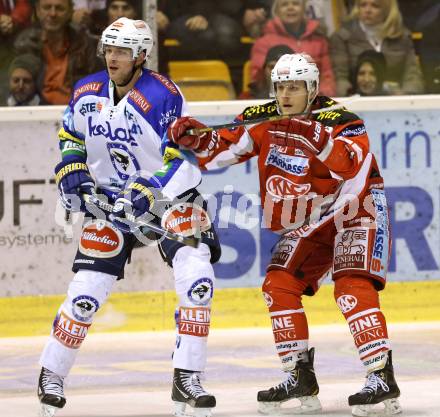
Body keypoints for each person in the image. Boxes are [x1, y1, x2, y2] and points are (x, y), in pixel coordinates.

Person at [168, 53, 401, 417]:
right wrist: (195, 137)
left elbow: (351, 161)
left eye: (294, 87)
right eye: (280, 86)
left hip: (358, 210)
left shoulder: (342, 120)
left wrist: (316, 138)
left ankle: (380, 377)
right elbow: (220, 149)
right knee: (278, 285)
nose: (286, 94)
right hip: (310, 220)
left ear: (312, 88)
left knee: (351, 287)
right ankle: (298, 377)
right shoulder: (263, 119)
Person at [37, 17, 221, 417]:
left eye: (121, 50)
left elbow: (183, 158)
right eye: (109, 48)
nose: (112, 57)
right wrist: (71, 166)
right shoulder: (86, 90)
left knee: (198, 278)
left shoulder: (163, 95)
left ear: (141, 55)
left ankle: (187, 378)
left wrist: (152, 187)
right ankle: (51, 373)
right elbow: (71, 134)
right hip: (110, 202)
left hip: (168, 199)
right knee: (87, 291)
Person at [14, 0, 102, 105]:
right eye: (47, 8)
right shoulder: (24, 43)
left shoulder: (85, 44)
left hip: (76, 109)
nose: (53, 14)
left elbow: (98, 85)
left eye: (60, 8)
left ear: (70, 12)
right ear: (37, 11)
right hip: (35, 110)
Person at [330, 0, 424, 96]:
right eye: (363, 5)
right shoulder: (342, 38)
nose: (367, 10)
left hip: (397, 100)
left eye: (375, 6)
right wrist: (348, 97)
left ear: (387, 10)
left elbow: (413, 75)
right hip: (356, 101)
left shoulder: (402, 37)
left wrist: (405, 95)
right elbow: (340, 78)